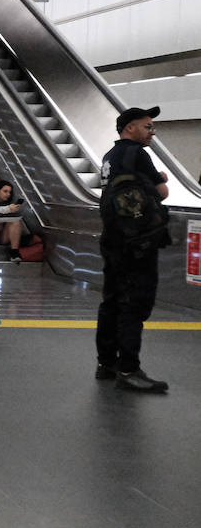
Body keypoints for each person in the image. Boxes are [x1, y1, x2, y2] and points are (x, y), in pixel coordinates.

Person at [96, 106, 171, 392]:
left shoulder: (109, 156)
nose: (153, 132)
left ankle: (106, 363)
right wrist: (162, 178)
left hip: (112, 238)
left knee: (111, 300)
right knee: (134, 302)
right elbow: (161, 193)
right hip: (137, 243)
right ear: (130, 128)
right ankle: (129, 368)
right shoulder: (138, 154)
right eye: (148, 126)